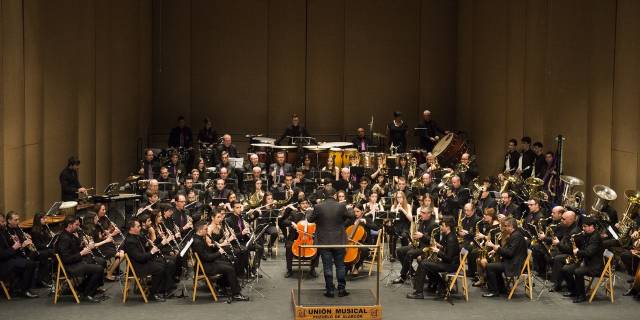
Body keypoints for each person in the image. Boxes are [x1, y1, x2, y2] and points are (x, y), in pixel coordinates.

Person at [307, 186, 353, 298]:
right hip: (339, 240)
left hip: (324, 241)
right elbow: (351, 217)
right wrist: (342, 224)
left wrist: (309, 212)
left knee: (327, 266)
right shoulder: (341, 206)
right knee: (340, 266)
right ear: (335, 195)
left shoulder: (318, 206)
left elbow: (309, 220)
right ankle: (341, 289)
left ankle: (330, 290)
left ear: (324, 195)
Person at [194, 219, 249, 302]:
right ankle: (236, 294)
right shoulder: (197, 242)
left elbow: (207, 250)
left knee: (229, 263)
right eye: (205, 229)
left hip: (207, 263)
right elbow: (207, 257)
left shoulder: (199, 238)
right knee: (229, 268)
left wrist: (215, 246)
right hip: (206, 266)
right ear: (200, 230)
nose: (207, 231)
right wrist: (219, 253)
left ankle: (222, 287)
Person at [121, 219, 175, 302]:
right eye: (138, 227)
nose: (140, 228)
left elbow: (145, 249)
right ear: (131, 228)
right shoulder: (130, 241)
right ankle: (152, 294)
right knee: (159, 268)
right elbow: (140, 257)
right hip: (138, 267)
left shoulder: (137, 236)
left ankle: (163, 289)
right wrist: (152, 252)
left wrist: (157, 241)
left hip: (143, 262)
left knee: (164, 262)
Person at [407, 216, 460, 299]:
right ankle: (443, 286)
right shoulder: (447, 235)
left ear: (448, 227)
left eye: (442, 225)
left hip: (451, 265)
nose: (441, 227)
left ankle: (418, 292)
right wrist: (438, 245)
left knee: (424, 264)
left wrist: (437, 251)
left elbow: (449, 258)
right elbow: (446, 249)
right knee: (425, 262)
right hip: (448, 262)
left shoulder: (451, 238)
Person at [55, 216, 106, 303]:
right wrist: (82, 253)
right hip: (71, 266)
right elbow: (66, 259)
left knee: (101, 261)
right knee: (98, 269)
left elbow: (76, 248)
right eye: (76, 225)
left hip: (77, 261)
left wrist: (84, 244)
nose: (78, 227)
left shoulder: (71, 235)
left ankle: (84, 288)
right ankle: (87, 293)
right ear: (70, 225)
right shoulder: (64, 238)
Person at [482, 217, 528, 297]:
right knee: (493, 265)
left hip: (513, 264)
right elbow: (508, 249)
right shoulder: (514, 234)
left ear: (511, 226)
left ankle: (494, 291)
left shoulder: (516, 236)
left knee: (489, 266)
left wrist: (495, 247)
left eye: (506, 226)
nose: (504, 228)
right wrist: (496, 250)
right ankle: (501, 288)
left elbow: (509, 253)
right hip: (511, 261)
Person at [561, 217, 603, 303]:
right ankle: (574, 291)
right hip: (586, 262)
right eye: (583, 226)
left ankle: (581, 295)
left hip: (594, 266)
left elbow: (589, 252)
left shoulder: (596, 237)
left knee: (578, 271)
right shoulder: (586, 235)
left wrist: (578, 252)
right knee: (566, 269)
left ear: (591, 227)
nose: (583, 228)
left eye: (585, 226)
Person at [0, 213, 38, 298]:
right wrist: (14, 248)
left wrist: (20, 241)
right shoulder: (3, 232)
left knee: (31, 261)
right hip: (3, 264)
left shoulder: (3, 231)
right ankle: (24, 290)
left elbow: (9, 246)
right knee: (29, 264)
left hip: (10, 258)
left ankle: (20, 287)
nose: (4, 223)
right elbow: (2, 254)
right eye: (2, 222)